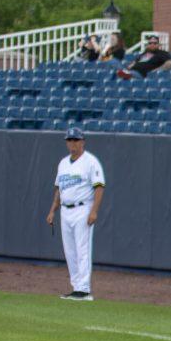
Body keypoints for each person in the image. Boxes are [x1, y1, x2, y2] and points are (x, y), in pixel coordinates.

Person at [45, 127, 104, 302]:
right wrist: (52, 211)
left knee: (82, 248)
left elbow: (99, 186)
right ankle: (76, 287)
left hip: (83, 208)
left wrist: (94, 211)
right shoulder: (63, 163)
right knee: (70, 250)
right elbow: (59, 189)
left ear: (83, 141)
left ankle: (84, 289)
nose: (72, 143)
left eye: (76, 140)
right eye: (70, 140)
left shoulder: (90, 161)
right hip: (65, 210)